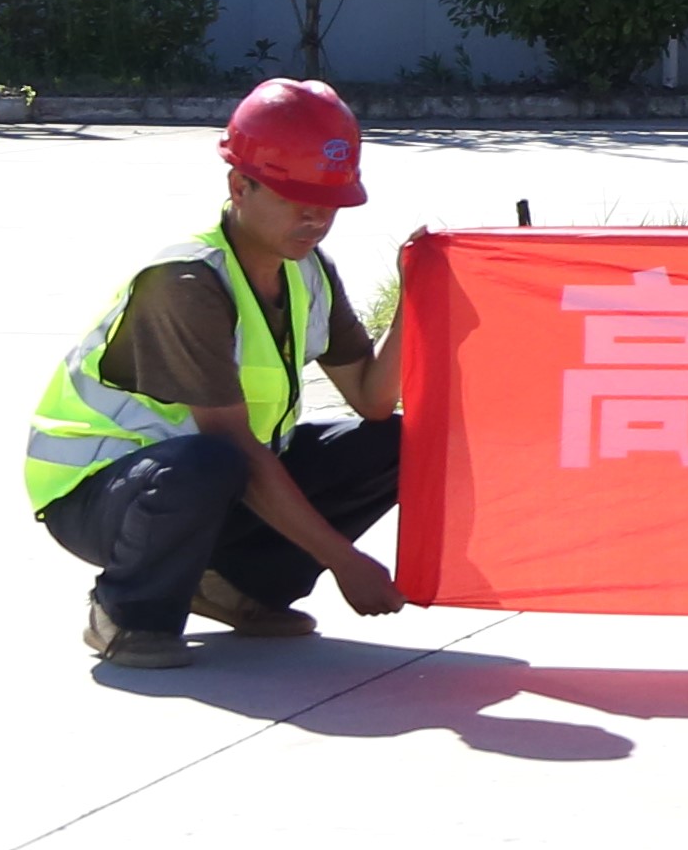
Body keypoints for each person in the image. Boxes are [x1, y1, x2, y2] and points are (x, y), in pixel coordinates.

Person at [23, 78, 409, 672]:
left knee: (400, 442)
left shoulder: (306, 270)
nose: (316, 217)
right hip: (102, 494)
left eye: (329, 199)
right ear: (239, 185)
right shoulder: (185, 283)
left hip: (210, 479)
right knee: (215, 460)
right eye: (295, 196)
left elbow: (373, 401)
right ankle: (126, 612)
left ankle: (230, 584)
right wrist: (345, 561)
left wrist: (418, 298)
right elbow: (230, 443)